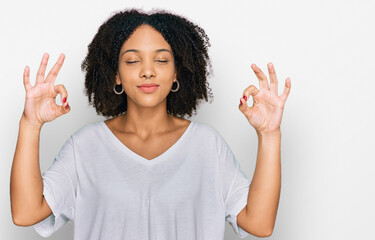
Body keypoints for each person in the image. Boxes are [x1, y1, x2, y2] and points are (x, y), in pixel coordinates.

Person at [10, 8, 291, 240]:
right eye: (132, 61)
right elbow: (25, 213)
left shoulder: (207, 145)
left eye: (161, 59)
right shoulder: (84, 147)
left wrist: (269, 134)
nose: (147, 71)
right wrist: (30, 124)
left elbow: (259, 223)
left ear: (176, 71)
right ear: (116, 75)